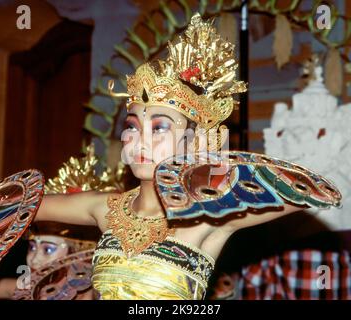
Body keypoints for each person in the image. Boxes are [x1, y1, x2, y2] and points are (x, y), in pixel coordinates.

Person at [26, 13, 340, 300]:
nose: (139, 141)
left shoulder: (210, 215)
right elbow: (19, 202)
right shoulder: (105, 208)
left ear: (193, 140)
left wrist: (207, 167)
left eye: (159, 128)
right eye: (132, 127)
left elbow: (315, 191)